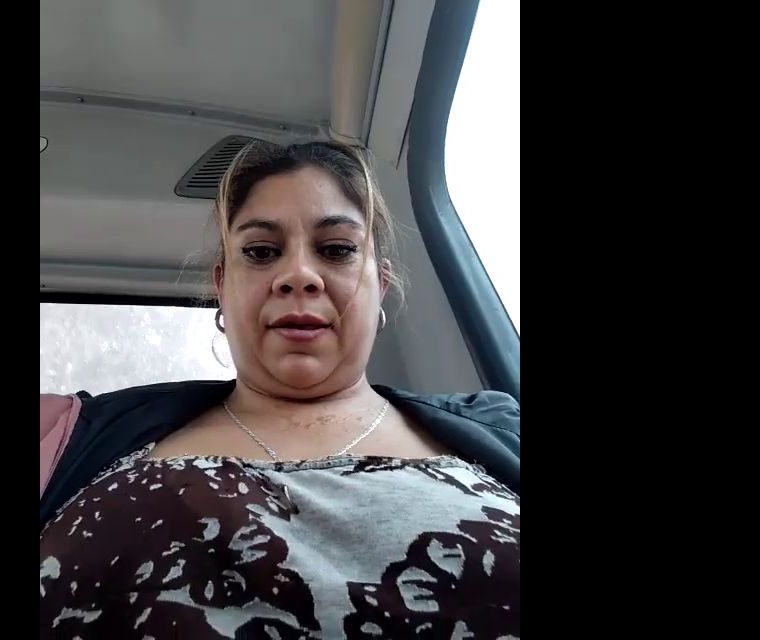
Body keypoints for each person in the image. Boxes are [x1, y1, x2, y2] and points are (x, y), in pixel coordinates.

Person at [40, 141, 519, 638]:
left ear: (381, 285)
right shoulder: (65, 436)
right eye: (261, 252)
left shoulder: (502, 429)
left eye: (336, 250)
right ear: (222, 286)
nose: (298, 275)